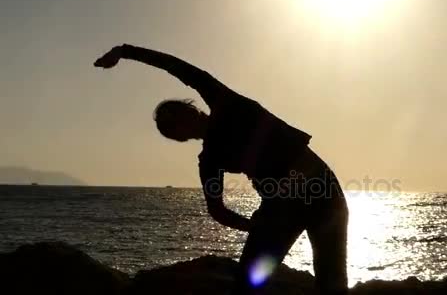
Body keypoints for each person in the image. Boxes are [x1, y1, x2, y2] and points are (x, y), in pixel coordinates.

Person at [94, 44, 349, 295]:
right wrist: (252, 227)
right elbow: (217, 209)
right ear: (177, 138)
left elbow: (177, 67)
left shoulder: (224, 102)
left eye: (176, 115)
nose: (177, 124)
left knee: (332, 281)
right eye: (169, 128)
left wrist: (125, 51)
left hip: (321, 189)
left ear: (191, 108)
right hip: (282, 205)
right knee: (248, 283)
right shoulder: (209, 160)